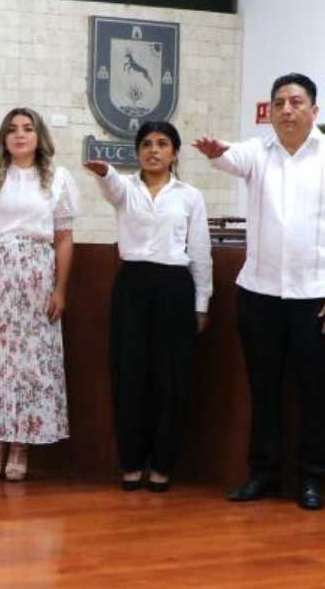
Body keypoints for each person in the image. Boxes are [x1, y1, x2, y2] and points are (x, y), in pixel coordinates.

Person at [193, 73, 325, 511]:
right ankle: (263, 474)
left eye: (295, 102)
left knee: (315, 392)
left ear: (315, 109)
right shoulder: (258, 152)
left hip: (318, 297)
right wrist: (217, 152)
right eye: (278, 103)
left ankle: (310, 479)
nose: (286, 110)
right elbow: (229, 157)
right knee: (263, 390)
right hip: (260, 295)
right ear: (269, 112)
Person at [82, 120, 211, 493]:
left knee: (171, 379)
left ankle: (163, 464)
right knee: (129, 374)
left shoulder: (189, 196)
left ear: (175, 153)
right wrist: (105, 172)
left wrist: (201, 303)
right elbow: (111, 185)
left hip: (175, 287)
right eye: (146, 144)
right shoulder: (126, 190)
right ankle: (132, 462)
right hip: (133, 286)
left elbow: (200, 253)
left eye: (162, 144)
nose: (154, 150)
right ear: (137, 152)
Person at [0, 107, 77, 482]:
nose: (20, 135)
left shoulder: (58, 179)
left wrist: (60, 288)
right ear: (4, 138)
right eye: (12, 130)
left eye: (28, 129)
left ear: (39, 136)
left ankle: (21, 444)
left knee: (29, 361)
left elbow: (63, 238)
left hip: (34, 276)